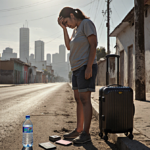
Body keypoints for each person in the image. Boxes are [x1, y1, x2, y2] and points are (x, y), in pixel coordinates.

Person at [58, 7, 97, 144]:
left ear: (71, 15)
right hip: (76, 69)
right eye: (65, 25)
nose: (67, 25)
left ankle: (86, 134)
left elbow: (93, 45)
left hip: (85, 67)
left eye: (67, 22)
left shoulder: (86, 24)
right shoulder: (75, 31)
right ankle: (79, 129)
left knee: (85, 100)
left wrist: (89, 67)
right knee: (78, 99)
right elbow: (69, 46)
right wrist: (64, 29)